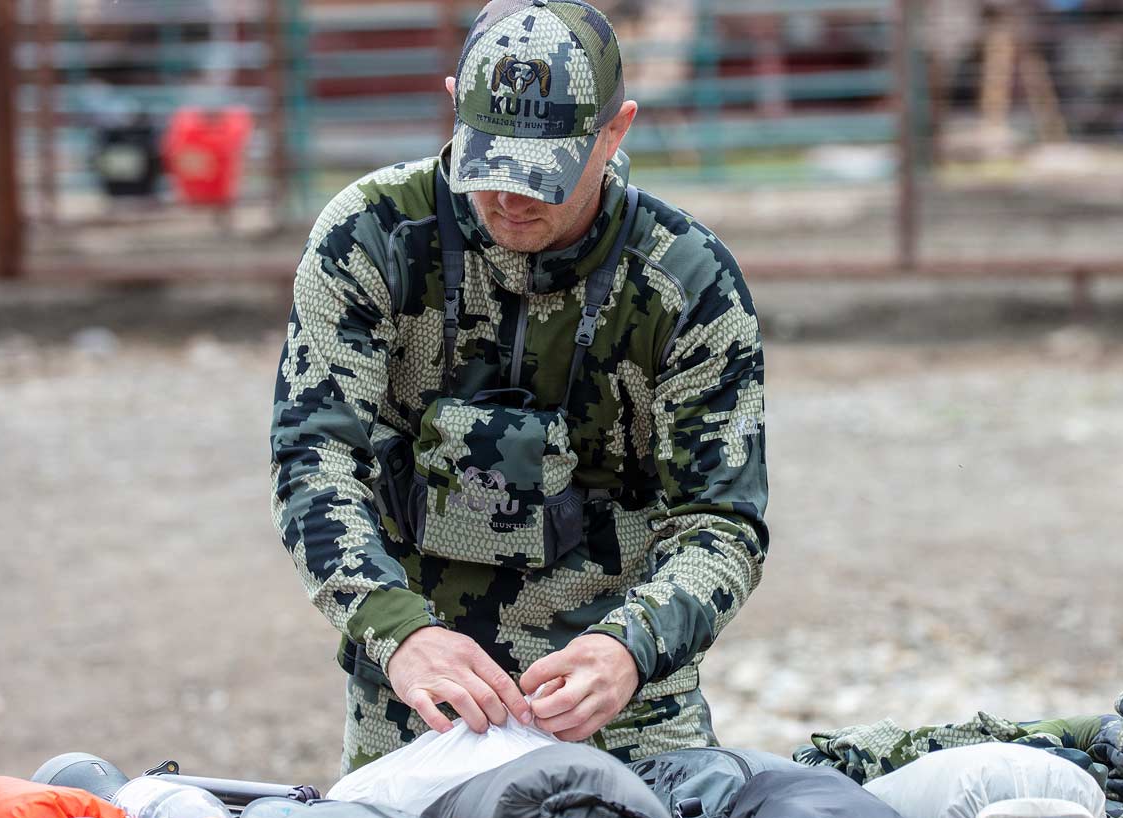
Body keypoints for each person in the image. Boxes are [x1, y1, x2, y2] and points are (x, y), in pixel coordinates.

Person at [269, 0, 768, 773]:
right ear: (453, 104)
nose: (510, 198)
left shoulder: (684, 280)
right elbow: (316, 461)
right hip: (421, 704)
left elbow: (723, 522)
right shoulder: (371, 237)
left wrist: (628, 649)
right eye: (489, 163)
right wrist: (396, 630)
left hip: (627, 714)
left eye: (542, 173)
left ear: (616, 130)